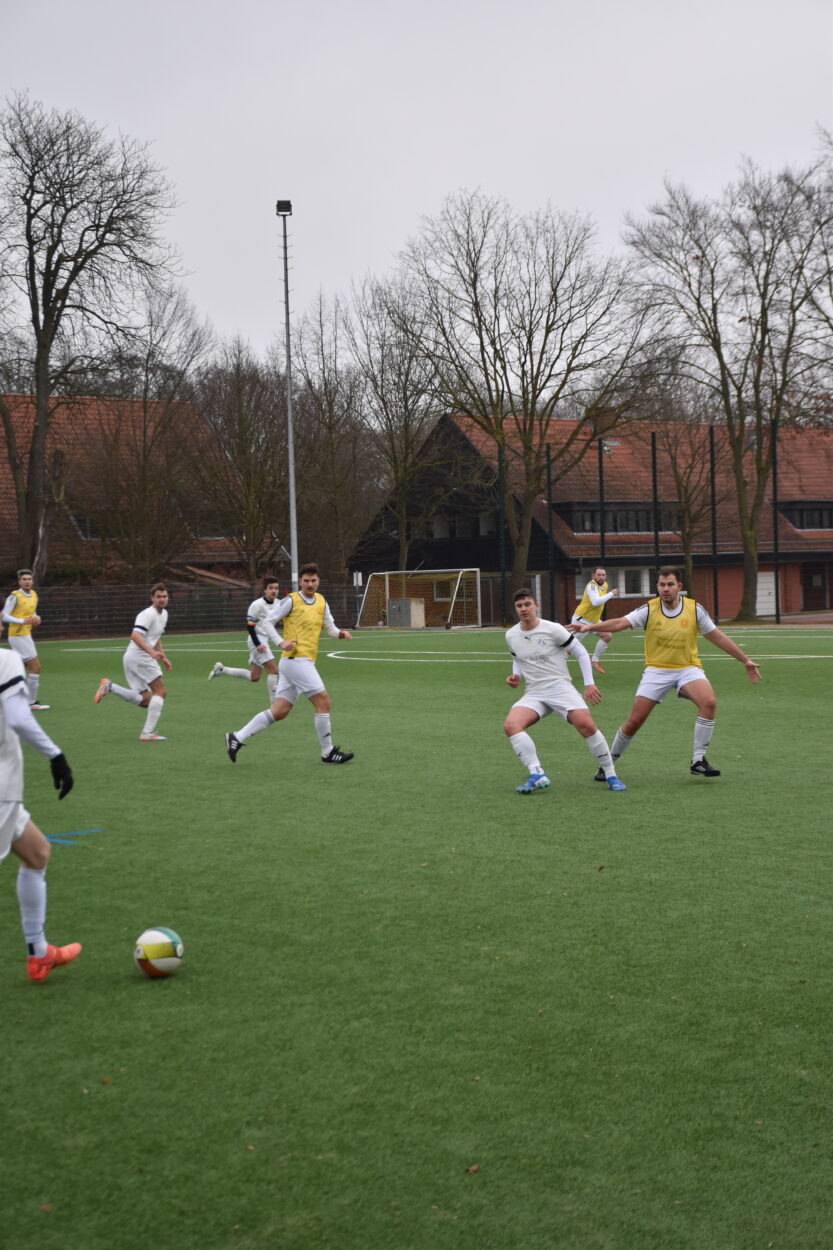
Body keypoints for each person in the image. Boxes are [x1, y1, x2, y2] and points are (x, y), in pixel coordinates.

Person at [571, 565, 761, 778]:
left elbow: (716, 636)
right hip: (656, 671)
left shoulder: (694, 609)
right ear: (657, 586)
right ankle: (608, 764)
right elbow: (620, 623)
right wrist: (589, 627)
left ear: (679, 586)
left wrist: (745, 660)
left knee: (708, 702)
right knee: (634, 722)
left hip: (688, 669)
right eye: (662, 585)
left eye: (670, 584)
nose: (666, 589)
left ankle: (698, 760)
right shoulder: (649, 609)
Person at [0, 646, 79, 981]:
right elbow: (18, 717)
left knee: (37, 853)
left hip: (7, 796)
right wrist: (55, 755)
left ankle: (39, 952)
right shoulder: (5, 659)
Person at [225, 563, 354, 765]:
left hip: (297, 662)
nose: (310, 584)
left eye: (313, 580)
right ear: (300, 581)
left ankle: (237, 737)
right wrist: (280, 642)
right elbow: (267, 622)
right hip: (297, 661)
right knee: (323, 702)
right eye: (306, 580)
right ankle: (328, 752)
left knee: (280, 711)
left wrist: (340, 634)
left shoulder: (321, 601)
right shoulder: (291, 600)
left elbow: (329, 627)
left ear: (318, 581)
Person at [504, 588, 626, 794]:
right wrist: (516, 676)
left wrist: (589, 684)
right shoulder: (511, 635)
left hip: (560, 687)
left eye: (527, 604)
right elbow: (517, 658)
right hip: (534, 692)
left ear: (536, 606)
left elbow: (581, 652)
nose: (524, 609)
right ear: (515, 608)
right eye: (519, 606)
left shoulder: (553, 629)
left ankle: (611, 774)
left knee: (586, 725)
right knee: (511, 725)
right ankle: (537, 773)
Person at [93, 583, 172, 741]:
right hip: (140, 656)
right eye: (158, 597)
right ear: (152, 598)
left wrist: (163, 656)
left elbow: (156, 637)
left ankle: (110, 686)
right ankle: (147, 733)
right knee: (161, 691)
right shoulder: (148, 614)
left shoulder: (164, 614)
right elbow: (135, 635)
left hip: (133, 657)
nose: (162, 599)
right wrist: (151, 652)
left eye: (164, 596)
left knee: (146, 700)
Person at [208, 576, 291, 700]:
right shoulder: (257, 605)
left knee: (254, 677)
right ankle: (274, 704)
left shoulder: (279, 603)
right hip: (256, 640)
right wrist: (258, 644)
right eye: (271, 588)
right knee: (273, 671)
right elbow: (250, 626)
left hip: (265, 640)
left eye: (276, 588)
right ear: (265, 590)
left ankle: (221, 669)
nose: (274, 591)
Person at [2, 569, 49, 710]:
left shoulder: (34, 594)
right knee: (36, 667)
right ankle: (30, 702)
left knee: (18, 669)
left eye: (29, 579)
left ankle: (14, 699)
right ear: (19, 582)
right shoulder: (14, 596)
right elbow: (4, 615)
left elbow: (32, 612)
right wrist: (22, 621)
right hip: (17, 635)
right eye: (24, 579)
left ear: (32, 581)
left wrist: (37, 618)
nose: (27, 581)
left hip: (26, 634)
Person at [571, 566, 619, 675]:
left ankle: (594, 661)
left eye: (603, 575)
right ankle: (555, 668)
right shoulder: (591, 586)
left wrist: (609, 594)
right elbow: (595, 602)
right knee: (569, 647)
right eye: (599, 575)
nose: (601, 577)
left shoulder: (605, 585)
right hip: (582, 620)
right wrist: (611, 593)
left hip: (593, 620)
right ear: (593, 575)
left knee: (607, 635)